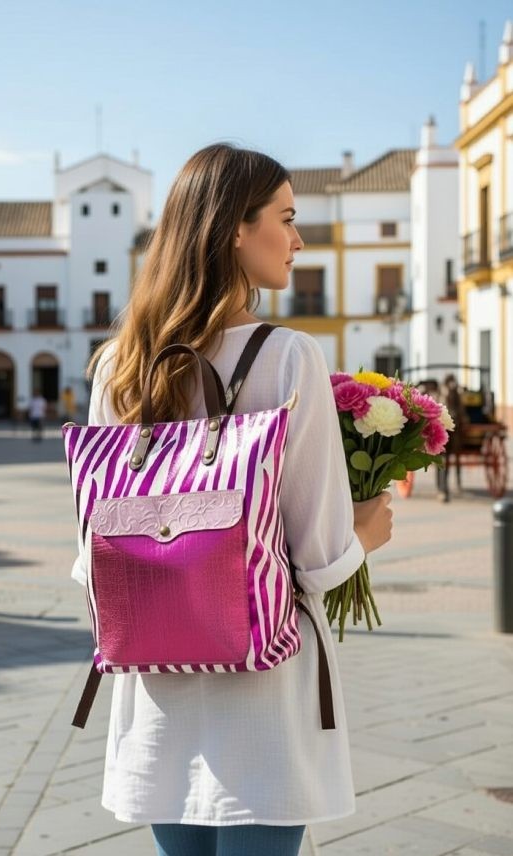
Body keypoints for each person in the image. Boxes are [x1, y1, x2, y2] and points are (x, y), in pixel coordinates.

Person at [73, 143, 393, 856]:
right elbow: (317, 558)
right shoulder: (287, 357)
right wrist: (367, 532)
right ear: (235, 231)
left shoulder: (119, 364)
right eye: (286, 217)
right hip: (261, 689)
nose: (299, 238)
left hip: (154, 681)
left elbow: (93, 548)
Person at [437, 373, 468, 502]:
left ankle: (453, 484)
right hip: (443, 432)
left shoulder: (457, 395)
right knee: (442, 461)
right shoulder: (443, 394)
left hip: (455, 433)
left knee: (449, 460)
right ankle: (442, 489)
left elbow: (461, 413)